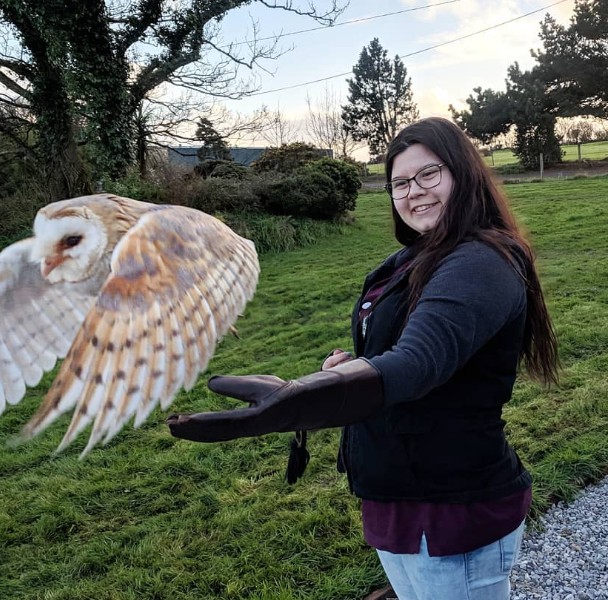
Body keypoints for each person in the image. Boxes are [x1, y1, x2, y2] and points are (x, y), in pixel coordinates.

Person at [167, 117, 559, 600]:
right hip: (398, 488)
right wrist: (356, 364)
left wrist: (304, 399)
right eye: (399, 183)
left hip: (451, 504)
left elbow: (416, 362)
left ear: (465, 173)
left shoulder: (480, 261)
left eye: (429, 175)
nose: (414, 192)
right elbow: (405, 351)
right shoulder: (419, 256)